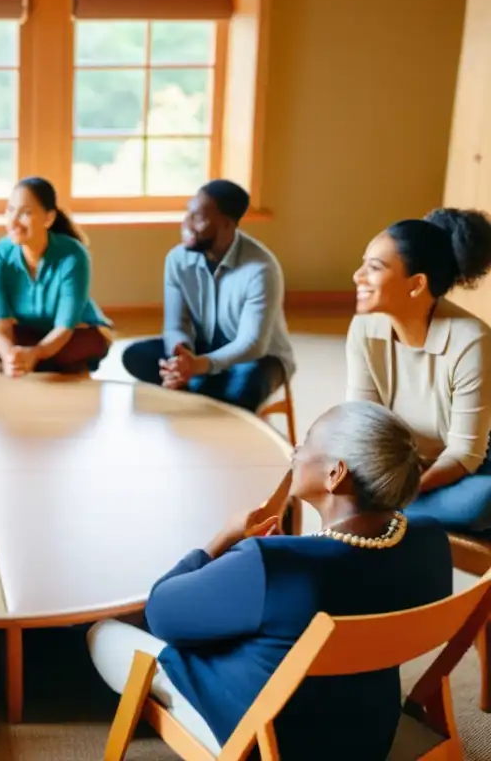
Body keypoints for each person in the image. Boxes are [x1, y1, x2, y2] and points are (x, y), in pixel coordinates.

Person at [87, 401, 453, 759]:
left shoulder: (274, 564)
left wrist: (226, 538)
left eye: (308, 441)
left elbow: (161, 613)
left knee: (102, 632)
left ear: (335, 474)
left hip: (274, 742)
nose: (297, 449)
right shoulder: (431, 540)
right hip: (370, 735)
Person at [347, 208, 491, 534]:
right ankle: (399, 514)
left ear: (416, 285)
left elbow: (464, 453)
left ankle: (393, 514)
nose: (358, 276)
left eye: (374, 268)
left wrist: (403, 493)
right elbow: (362, 420)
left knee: (480, 500)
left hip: (472, 468)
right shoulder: (364, 328)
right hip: (406, 465)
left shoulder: (472, 340)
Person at [120, 180, 295, 412]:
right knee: (136, 356)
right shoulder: (177, 259)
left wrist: (199, 365)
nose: (187, 225)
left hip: (258, 359)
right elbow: (175, 325)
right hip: (204, 350)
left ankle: (200, 387)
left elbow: (252, 344)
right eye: (188, 213)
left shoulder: (260, 269)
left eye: (199, 218)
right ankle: (202, 387)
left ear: (227, 224)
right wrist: (180, 357)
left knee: (244, 387)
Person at [0, 177, 113, 376]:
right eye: (10, 210)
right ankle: (41, 362)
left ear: (48, 218)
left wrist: (36, 353)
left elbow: (65, 327)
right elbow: (1, 324)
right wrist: (9, 358)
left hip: (72, 333)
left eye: (25, 213)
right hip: (26, 330)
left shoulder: (74, 255)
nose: (13, 221)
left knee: (93, 342)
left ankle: (37, 360)